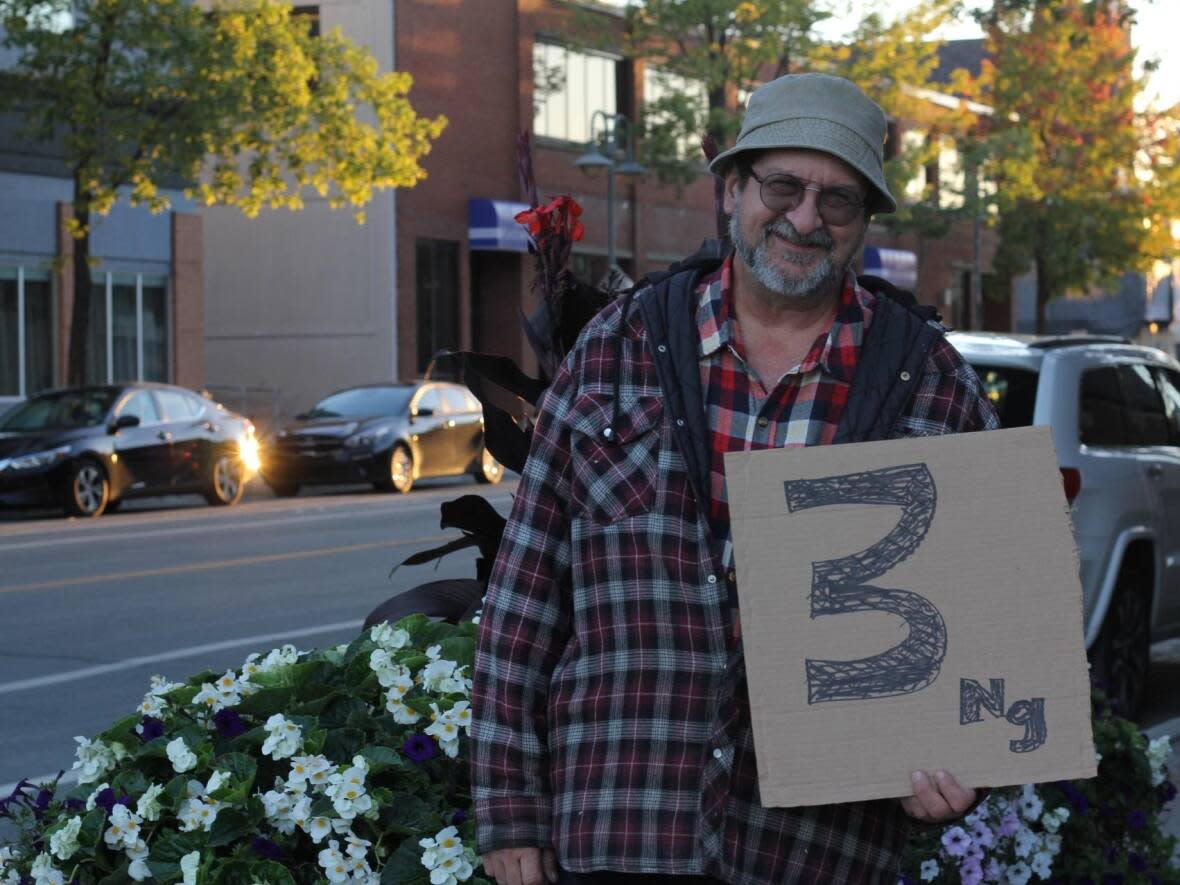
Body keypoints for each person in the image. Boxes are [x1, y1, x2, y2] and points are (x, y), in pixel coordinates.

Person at [471, 72, 1000, 885]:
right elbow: (525, 597)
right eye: (782, 186)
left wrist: (962, 758)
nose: (804, 218)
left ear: (861, 223)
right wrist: (509, 806)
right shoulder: (617, 351)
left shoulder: (929, 383)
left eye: (838, 201)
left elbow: (986, 619)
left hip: (811, 850)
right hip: (621, 829)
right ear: (730, 189)